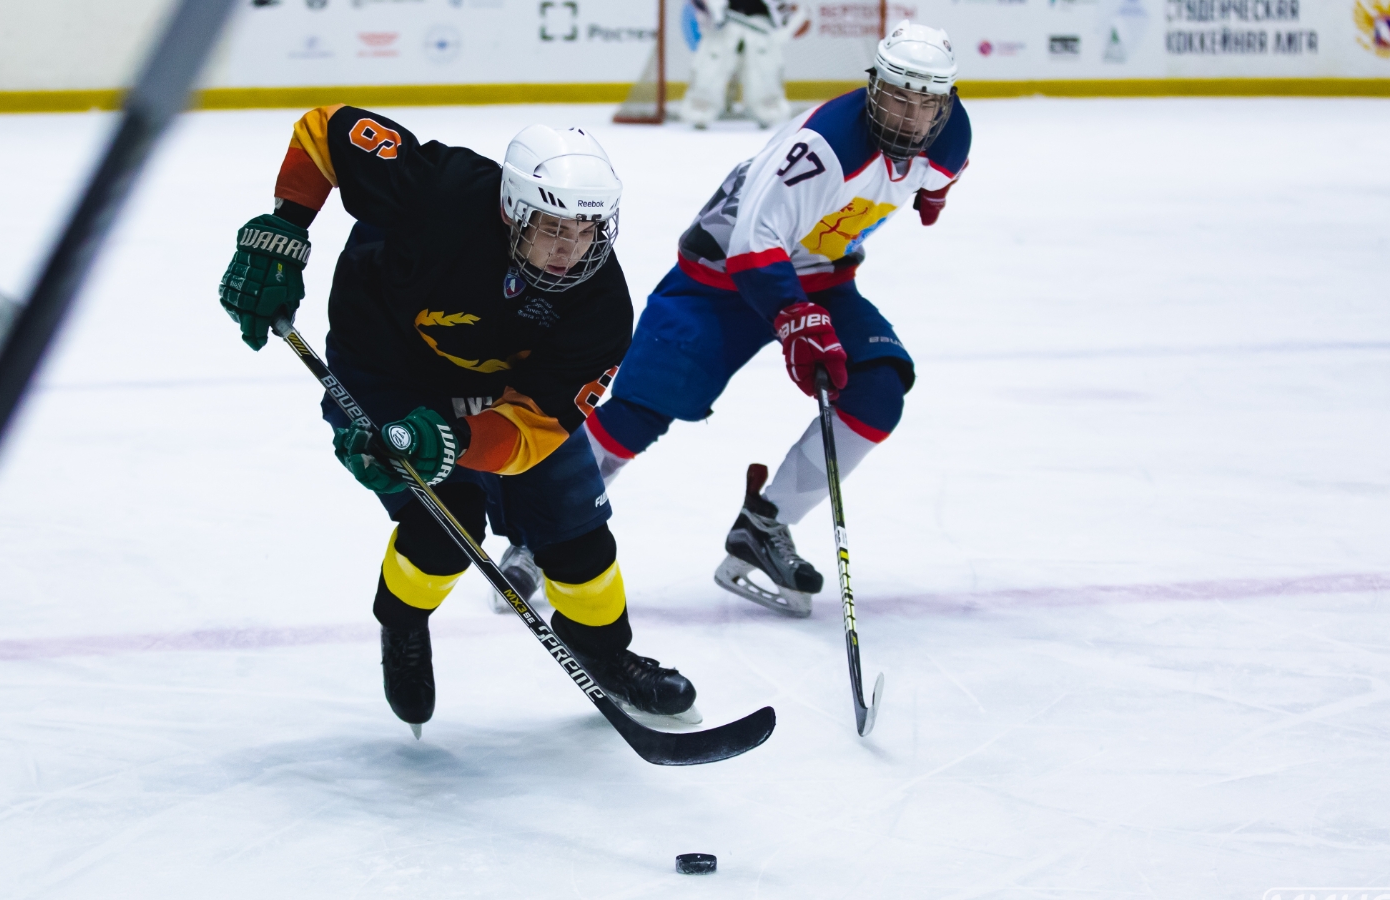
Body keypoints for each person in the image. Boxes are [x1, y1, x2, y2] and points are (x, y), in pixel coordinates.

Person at [216, 106, 699, 734]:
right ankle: (403, 622)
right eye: (551, 226)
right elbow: (325, 130)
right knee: (446, 526)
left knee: (579, 537)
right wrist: (283, 231)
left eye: (586, 230)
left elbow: (533, 428)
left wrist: (453, 442)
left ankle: (604, 650)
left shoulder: (601, 306)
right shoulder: (439, 189)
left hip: (502, 396)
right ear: (511, 209)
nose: (568, 250)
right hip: (385, 368)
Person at [585, 22, 971, 616]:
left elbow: (939, 174)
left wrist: (932, 194)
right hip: (724, 273)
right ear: (874, 87)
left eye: (925, 103)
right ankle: (546, 527)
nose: (908, 116)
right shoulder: (825, 147)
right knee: (643, 405)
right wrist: (793, 317)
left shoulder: (951, 137)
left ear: (944, 104)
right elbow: (752, 243)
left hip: (823, 274)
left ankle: (763, 527)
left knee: (877, 390)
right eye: (897, 96)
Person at [681, 0, 795, 129]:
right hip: (724, 19)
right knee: (710, 66)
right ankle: (701, 107)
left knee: (764, 67)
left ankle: (767, 108)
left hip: (760, 19)